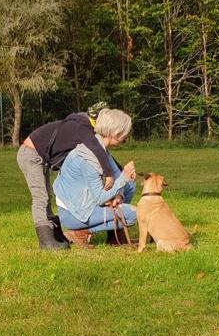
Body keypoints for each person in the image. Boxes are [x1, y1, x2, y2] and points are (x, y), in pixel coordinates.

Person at [17, 107, 119, 251]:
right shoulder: (83, 127)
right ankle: (45, 242)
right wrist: (109, 173)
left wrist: (118, 170)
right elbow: (96, 149)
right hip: (30, 155)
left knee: (46, 196)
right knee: (41, 197)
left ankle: (56, 237)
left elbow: (102, 152)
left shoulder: (83, 124)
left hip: (39, 155)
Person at [53, 108, 137, 246]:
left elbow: (117, 175)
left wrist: (119, 196)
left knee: (129, 186)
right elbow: (99, 198)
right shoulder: (89, 157)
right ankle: (79, 232)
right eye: (125, 134)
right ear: (116, 133)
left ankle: (114, 238)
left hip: (88, 204)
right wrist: (123, 178)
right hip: (75, 213)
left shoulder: (100, 148)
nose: (126, 137)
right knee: (133, 214)